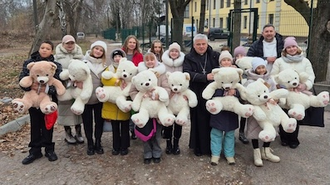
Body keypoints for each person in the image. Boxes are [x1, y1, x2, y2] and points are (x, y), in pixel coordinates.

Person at [20, 40, 62, 165]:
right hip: (32, 100)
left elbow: (59, 85)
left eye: (47, 48)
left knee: (48, 125)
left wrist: (47, 89)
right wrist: (29, 87)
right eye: (42, 47)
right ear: (39, 49)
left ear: (51, 51)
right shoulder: (29, 63)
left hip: (48, 101)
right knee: (35, 125)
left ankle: (49, 149)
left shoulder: (55, 65)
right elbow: (22, 79)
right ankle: (35, 150)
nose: (44, 50)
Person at [271, 36, 315, 149]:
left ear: (297, 47)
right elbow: (273, 76)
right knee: (283, 114)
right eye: (289, 47)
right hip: (284, 91)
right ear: (285, 49)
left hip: (298, 92)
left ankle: (293, 138)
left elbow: (310, 76)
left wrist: (305, 85)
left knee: (295, 114)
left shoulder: (305, 61)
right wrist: (281, 85)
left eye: (293, 46)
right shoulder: (279, 61)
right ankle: (284, 137)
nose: (291, 49)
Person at [183, 34, 220, 156]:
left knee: (212, 120)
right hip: (197, 91)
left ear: (207, 44)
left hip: (213, 92)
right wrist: (204, 77)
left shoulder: (214, 55)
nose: (201, 46)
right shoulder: (189, 57)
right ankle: (198, 147)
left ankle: (212, 147)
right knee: (198, 120)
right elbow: (187, 73)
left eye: (203, 44)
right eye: (198, 44)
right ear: (194, 45)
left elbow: (223, 66)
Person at [130, 52, 169, 164]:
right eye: (147, 60)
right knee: (145, 132)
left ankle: (157, 152)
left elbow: (167, 88)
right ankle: (147, 152)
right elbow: (133, 91)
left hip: (158, 108)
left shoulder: (161, 74)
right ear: (144, 62)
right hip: (145, 109)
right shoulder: (139, 74)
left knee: (157, 133)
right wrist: (141, 98)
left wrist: (159, 96)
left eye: (152, 59)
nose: (150, 62)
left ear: (156, 60)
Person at [244, 57, 279, 167]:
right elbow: (246, 95)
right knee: (255, 130)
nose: (261, 70)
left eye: (262, 67)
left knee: (269, 128)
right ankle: (256, 152)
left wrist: (276, 99)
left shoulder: (269, 80)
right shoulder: (249, 81)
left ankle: (266, 150)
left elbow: (274, 91)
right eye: (258, 68)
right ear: (254, 69)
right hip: (256, 109)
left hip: (269, 108)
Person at [210, 51, 239, 165]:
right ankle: (215, 154)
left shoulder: (235, 73)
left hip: (231, 110)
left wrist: (235, 92)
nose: (226, 62)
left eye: (228, 60)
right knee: (216, 133)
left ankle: (229, 154)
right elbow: (212, 89)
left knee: (230, 134)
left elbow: (241, 90)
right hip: (219, 110)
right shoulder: (216, 74)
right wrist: (222, 92)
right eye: (224, 60)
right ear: (220, 62)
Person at [55, 35, 84, 145]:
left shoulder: (80, 55)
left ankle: (78, 132)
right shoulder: (57, 56)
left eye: (72, 43)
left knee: (77, 109)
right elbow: (55, 71)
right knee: (65, 109)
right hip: (64, 86)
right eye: (67, 43)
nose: (70, 45)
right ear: (63, 44)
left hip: (77, 86)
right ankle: (68, 133)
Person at [101, 49, 130, 156]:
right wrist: (117, 81)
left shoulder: (127, 67)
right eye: (116, 56)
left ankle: (124, 146)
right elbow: (104, 80)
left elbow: (130, 79)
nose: (118, 58)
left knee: (125, 126)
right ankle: (116, 146)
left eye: (120, 56)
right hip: (111, 104)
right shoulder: (109, 69)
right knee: (115, 127)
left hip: (123, 101)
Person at [82, 40, 108, 155]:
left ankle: (98, 141)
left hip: (99, 99)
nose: (98, 51)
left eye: (101, 50)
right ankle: (90, 143)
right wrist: (75, 83)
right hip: (86, 99)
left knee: (99, 122)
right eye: (97, 49)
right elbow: (73, 76)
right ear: (92, 49)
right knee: (87, 122)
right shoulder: (83, 62)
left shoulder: (105, 66)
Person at [161, 42, 185, 155]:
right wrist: (167, 91)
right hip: (168, 97)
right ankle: (168, 143)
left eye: (176, 51)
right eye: (172, 51)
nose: (174, 53)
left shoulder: (183, 64)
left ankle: (176, 143)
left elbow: (186, 79)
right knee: (168, 121)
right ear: (169, 52)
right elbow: (162, 79)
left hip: (180, 97)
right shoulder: (163, 65)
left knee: (179, 122)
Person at [122, 35, 143, 139]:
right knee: (125, 106)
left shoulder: (139, 55)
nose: (132, 44)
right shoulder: (121, 54)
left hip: (134, 84)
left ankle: (133, 128)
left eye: (134, 43)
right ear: (126, 43)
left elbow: (140, 70)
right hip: (123, 84)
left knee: (134, 107)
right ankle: (126, 129)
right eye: (130, 42)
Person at [233, 46, 249, 144]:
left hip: (246, 94)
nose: (239, 57)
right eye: (237, 55)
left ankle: (242, 132)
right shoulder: (233, 66)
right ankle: (232, 134)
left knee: (244, 115)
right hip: (235, 93)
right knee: (234, 114)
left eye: (241, 55)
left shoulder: (249, 67)